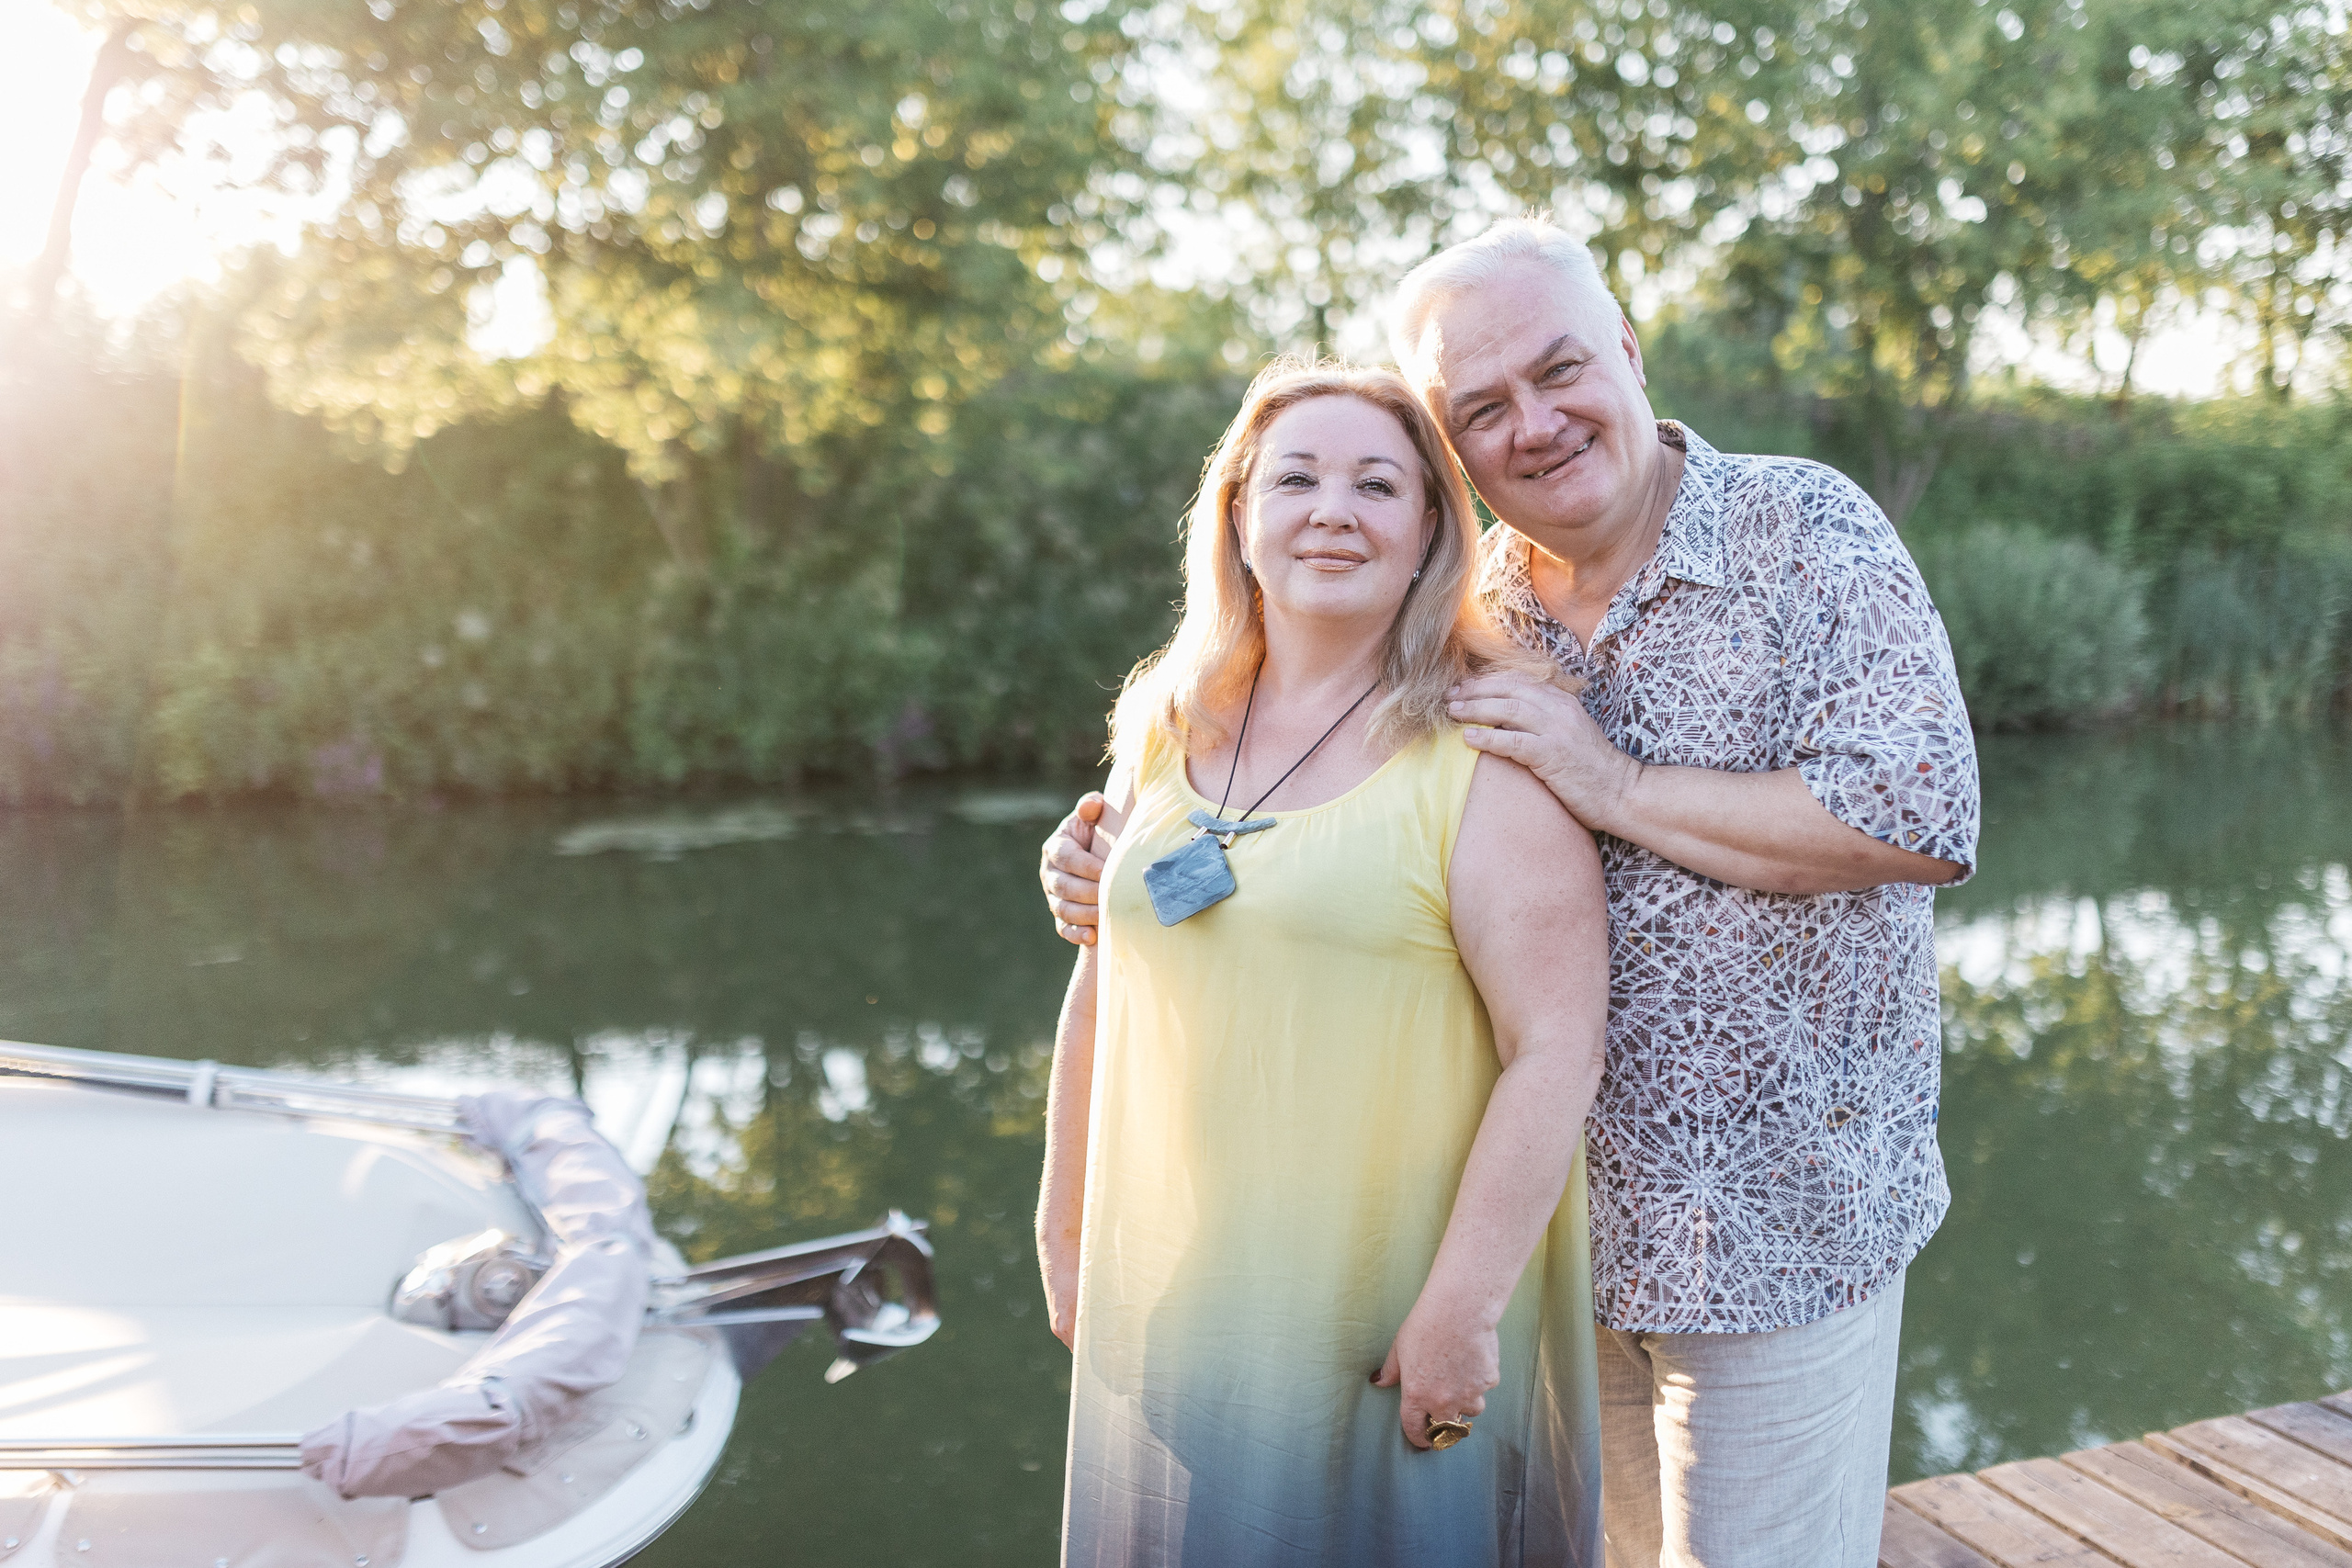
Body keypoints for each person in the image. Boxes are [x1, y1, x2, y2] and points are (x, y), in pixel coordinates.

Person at [1041, 219, 1982, 1568]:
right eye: (1479, 408)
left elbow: (1917, 815)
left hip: (1775, 1223)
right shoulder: (1458, 602)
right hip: (1540, 1241)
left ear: (1629, 352)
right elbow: (1304, 821)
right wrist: (1105, 869)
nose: (1533, 424)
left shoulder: (1802, 526)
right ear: (1450, 458)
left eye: (1558, 372)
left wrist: (1612, 784)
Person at [1036, 360, 1611, 1567]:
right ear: (1240, 516)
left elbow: (1555, 1046)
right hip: (1202, 1299)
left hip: (1389, 1309)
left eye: (1377, 484)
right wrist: (1065, 1230)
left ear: (1429, 535)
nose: (1331, 509)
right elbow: (1107, 979)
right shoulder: (1168, 723)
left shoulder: (1486, 745)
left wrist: (1463, 1308)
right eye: (1294, 477)